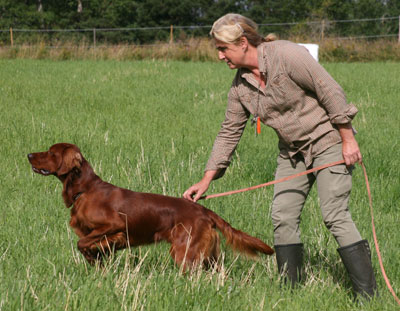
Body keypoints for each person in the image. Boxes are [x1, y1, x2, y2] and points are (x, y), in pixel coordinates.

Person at [183, 13, 377, 299]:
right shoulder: (240, 87)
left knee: (334, 215)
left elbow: (330, 91)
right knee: (282, 216)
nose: (220, 56)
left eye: (223, 49)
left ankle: (367, 296)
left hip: (328, 142)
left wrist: (348, 140)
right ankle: (290, 292)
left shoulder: (287, 55)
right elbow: (229, 133)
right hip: (291, 153)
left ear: (243, 42)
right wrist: (207, 179)